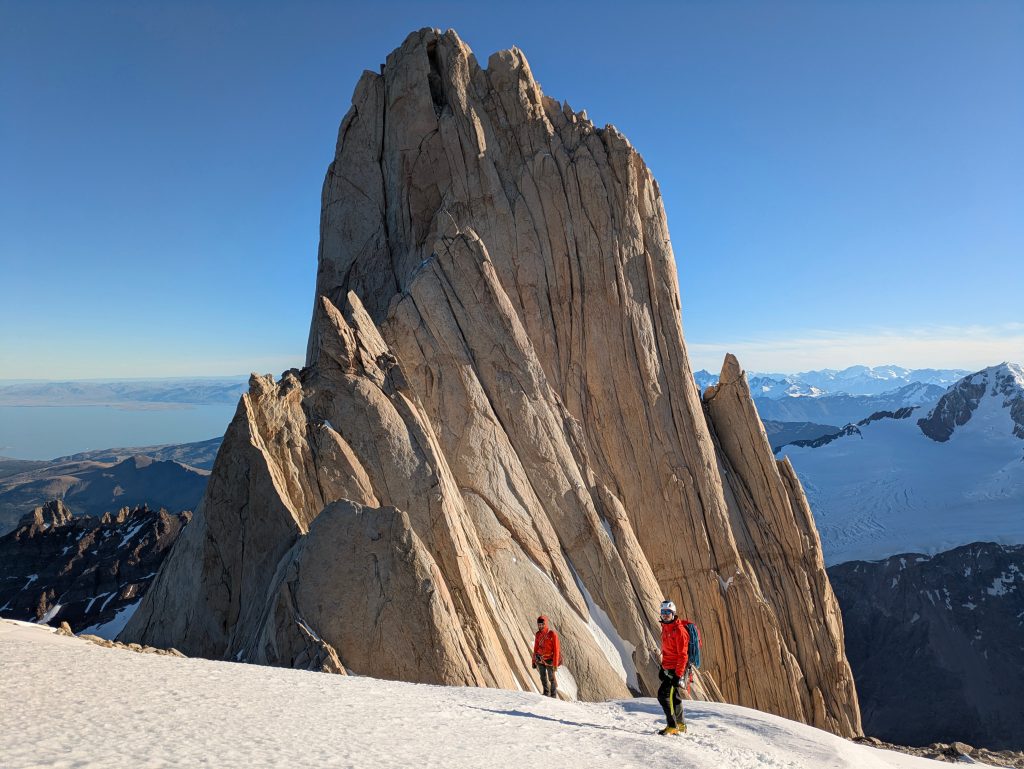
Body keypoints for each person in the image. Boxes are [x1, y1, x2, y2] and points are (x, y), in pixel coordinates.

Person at [657, 599, 688, 735]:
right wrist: (662, 668)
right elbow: (667, 651)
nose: (665, 615)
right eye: (663, 612)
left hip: (675, 669)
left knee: (663, 696)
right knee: (674, 696)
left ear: (673, 613)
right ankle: (681, 724)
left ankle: (672, 725)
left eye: (668, 612)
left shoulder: (679, 631)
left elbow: (683, 656)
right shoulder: (665, 627)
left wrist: (678, 675)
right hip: (668, 668)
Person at [532, 614, 561, 697]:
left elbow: (556, 650)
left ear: (545, 624)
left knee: (551, 678)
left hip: (550, 659)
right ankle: (546, 693)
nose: (540, 626)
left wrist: (555, 664)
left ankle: (553, 695)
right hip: (540, 658)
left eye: (542, 624)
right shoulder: (538, 634)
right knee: (543, 677)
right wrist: (533, 661)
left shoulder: (552, 634)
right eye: (539, 625)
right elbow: (536, 648)